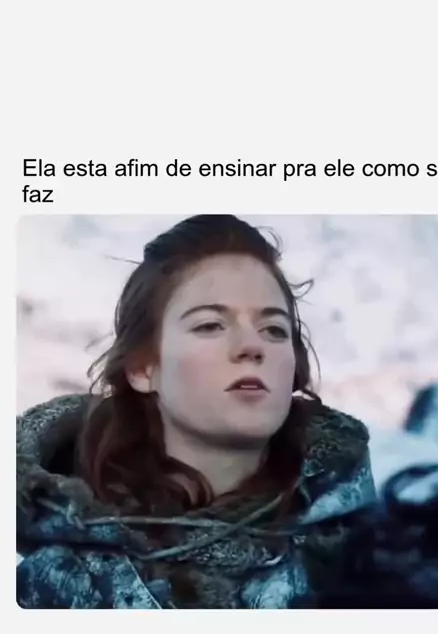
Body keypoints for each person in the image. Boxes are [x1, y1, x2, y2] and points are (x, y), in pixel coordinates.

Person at [17, 214, 377, 609]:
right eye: (210, 325)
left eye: (274, 329)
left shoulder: (379, 559)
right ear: (142, 368)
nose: (252, 346)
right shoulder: (54, 588)